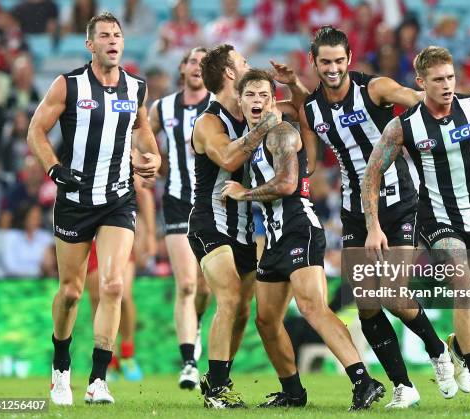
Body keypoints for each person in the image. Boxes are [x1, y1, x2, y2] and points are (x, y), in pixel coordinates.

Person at [299, 26, 457, 408]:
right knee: (367, 302)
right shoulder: (311, 109)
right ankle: (403, 386)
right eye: (326, 62)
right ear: (315, 63)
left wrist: (436, 97)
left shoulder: (375, 89)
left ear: (350, 59)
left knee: (390, 290)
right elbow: (312, 158)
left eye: (339, 60)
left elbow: (413, 97)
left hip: (400, 199)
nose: (333, 68)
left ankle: (437, 351)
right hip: (355, 208)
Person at [362, 45, 470, 410]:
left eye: (451, 77)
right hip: (438, 220)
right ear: (421, 82)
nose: (447, 85)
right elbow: (371, 176)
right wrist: (373, 225)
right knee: (464, 291)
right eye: (438, 80)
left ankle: (457, 349)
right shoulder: (403, 126)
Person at [222, 69, 385, 411]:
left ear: (272, 101)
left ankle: (363, 381)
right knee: (266, 320)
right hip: (275, 239)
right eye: (250, 95)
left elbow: (286, 184)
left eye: (264, 95)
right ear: (240, 100)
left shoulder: (282, 134)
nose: (257, 101)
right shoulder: (252, 140)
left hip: (300, 229)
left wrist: (243, 193)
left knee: (312, 307)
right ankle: (293, 392)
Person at [26, 12, 161, 405]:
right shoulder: (67, 84)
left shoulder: (136, 87)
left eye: (117, 35)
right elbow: (36, 129)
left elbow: (143, 130)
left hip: (118, 199)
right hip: (74, 201)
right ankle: (61, 370)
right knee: (71, 291)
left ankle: (98, 380)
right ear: (90, 45)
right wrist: (54, 169)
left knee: (114, 284)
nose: (113, 40)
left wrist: (151, 158)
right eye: (104, 35)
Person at [187, 44, 308, 408]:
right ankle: (218, 389)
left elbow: (303, 109)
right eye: (242, 62)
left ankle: (218, 379)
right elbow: (226, 156)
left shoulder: (257, 108)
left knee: (242, 309)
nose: (248, 65)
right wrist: (267, 124)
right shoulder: (208, 121)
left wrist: (295, 84)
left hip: (244, 226)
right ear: (229, 73)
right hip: (210, 220)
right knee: (228, 298)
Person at [148, 47, 214, 390]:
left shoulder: (220, 104)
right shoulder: (163, 107)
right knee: (187, 284)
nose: (197, 67)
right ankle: (189, 362)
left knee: (205, 286)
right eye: (191, 61)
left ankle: (198, 323)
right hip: (176, 201)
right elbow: (141, 134)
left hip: (212, 203)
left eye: (204, 63)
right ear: (182, 67)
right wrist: (151, 162)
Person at [85, 174, 156, 381]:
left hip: (118, 224)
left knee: (122, 294)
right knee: (96, 298)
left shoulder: (121, 152)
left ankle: (127, 352)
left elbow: (142, 192)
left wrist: (149, 234)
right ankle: (108, 356)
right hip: (89, 227)